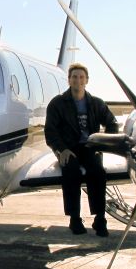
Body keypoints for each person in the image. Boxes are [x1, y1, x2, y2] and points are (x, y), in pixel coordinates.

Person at [44, 63, 118, 237]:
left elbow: (112, 123)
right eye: (74, 77)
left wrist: (103, 144)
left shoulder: (96, 103)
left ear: (87, 80)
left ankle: (100, 218)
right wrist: (61, 149)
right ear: (69, 80)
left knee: (98, 172)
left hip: (90, 146)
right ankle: (75, 219)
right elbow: (50, 131)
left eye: (81, 77)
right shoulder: (57, 104)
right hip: (69, 148)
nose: (78, 80)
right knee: (71, 172)